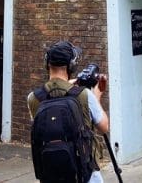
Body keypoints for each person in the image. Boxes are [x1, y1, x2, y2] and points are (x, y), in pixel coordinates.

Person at [28, 41, 108, 183]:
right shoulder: (84, 95)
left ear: (47, 63)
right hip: (85, 174)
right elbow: (103, 127)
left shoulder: (34, 98)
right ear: (72, 65)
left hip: (50, 174)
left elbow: (53, 95)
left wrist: (71, 83)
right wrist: (97, 96)